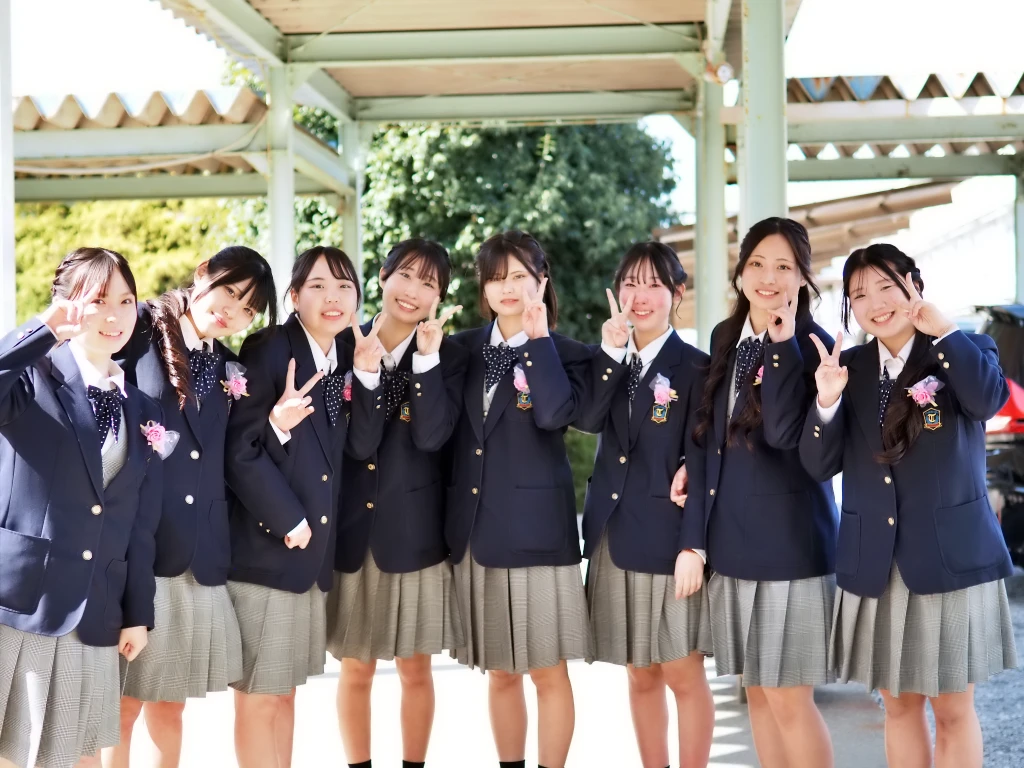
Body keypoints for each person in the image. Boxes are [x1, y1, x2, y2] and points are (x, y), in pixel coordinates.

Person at [801, 243, 1017, 768]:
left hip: (950, 558)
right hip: (877, 561)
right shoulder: (846, 369)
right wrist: (826, 400)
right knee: (898, 708)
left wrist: (944, 332)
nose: (875, 303)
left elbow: (987, 400)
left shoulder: (965, 348)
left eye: (887, 286)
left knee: (953, 710)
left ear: (914, 285)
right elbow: (819, 464)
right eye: (859, 294)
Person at [103, 246, 277, 768]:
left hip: (196, 553)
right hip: (135, 550)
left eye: (248, 308)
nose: (233, 311)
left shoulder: (227, 364)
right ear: (203, 273)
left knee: (170, 705)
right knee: (121, 706)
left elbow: (229, 453)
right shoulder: (136, 331)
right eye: (230, 291)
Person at [681, 218, 838, 768]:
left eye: (783, 267)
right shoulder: (724, 337)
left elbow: (784, 434)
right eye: (757, 264)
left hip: (790, 546)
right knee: (757, 693)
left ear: (802, 277)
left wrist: (780, 345)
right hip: (733, 541)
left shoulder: (815, 345)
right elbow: (713, 431)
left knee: (788, 698)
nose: (768, 278)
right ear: (741, 270)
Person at [0, 247, 164, 768]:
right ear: (67, 303)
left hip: (98, 606)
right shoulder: (31, 377)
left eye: (126, 301)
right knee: (13, 751)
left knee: (82, 753)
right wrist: (42, 330)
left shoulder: (144, 407)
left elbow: (140, 522)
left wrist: (136, 613)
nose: (114, 315)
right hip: (23, 602)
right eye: (98, 301)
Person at [224, 246, 386, 768]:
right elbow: (239, 450)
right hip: (267, 551)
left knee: (285, 693)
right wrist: (289, 518)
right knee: (259, 697)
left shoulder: (347, 353)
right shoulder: (270, 349)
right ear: (294, 296)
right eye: (317, 286)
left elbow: (360, 446)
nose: (332, 297)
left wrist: (366, 375)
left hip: (309, 560)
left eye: (344, 286)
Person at [446, 231, 592, 768]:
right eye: (495, 277)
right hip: (476, 531)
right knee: (501, 672)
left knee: (548, 672)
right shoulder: (458, 349)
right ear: (483, 288)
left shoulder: (567, 353)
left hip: (539, 534)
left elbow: (555, 416)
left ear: (541, 282)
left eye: (518, 277)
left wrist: (538, 343)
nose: (506, 287)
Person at [329, 239, 468, 768]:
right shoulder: (340, 344)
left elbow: (432, 437)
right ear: (383, 277)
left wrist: (427, 360)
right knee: (356, 668)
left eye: (428, 284)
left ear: (439, 298)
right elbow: (355, 445)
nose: (412, 291)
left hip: (415, 534)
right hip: (353, 531)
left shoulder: (448, 357)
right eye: (405, 276)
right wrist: (365, 372)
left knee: (415, 669)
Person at [575, 242, 714, 768]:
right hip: (612, 535)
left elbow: (704, 462)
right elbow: (586, 420)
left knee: (683, 672)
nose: (640, 296)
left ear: (677, 293)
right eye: (630, 284)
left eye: (654, 284)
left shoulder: (697, 368)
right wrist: (610, 354)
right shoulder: (607, 360)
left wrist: (694, 546)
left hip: (669, 540)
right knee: (639, 672)